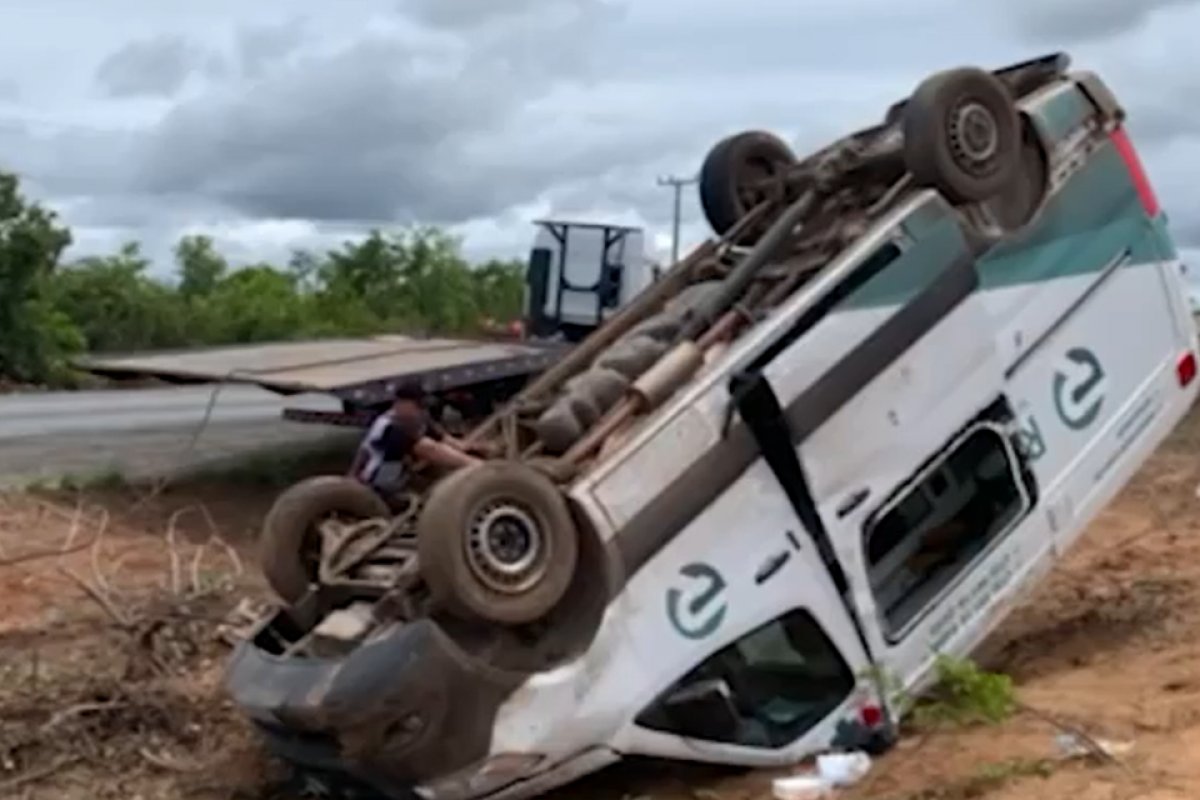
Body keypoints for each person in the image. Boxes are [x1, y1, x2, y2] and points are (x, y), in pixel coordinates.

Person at [348, 381, 485, 496]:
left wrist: (473, 447)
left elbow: (445, 439)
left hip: (403, 473)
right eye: (416, 406)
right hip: (381, 479)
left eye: (421, 406)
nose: (420, 410)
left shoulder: (418, 417)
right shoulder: (389, 426)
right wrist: (476, 465)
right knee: (429, 453)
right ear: (401, 403)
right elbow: (429, 448)